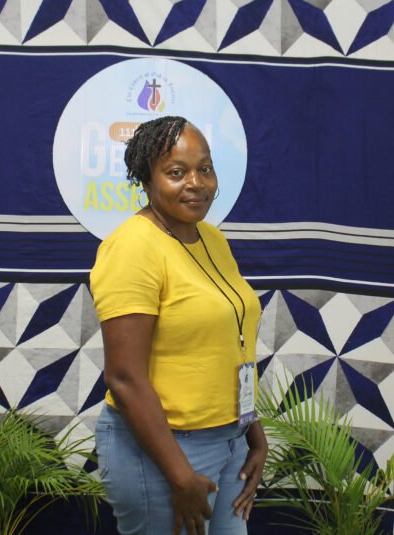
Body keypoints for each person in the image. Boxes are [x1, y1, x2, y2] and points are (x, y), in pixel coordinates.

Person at [90, 116, 266, 535]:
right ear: (145, 180)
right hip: (163, 451)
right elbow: (124, 377)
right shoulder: (132, 247)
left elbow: (229, 345)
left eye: (204, 168)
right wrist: (180, 475)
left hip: (228, 442)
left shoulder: (210, 238)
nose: (196, 182)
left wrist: (251, 432)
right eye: (176, 172)